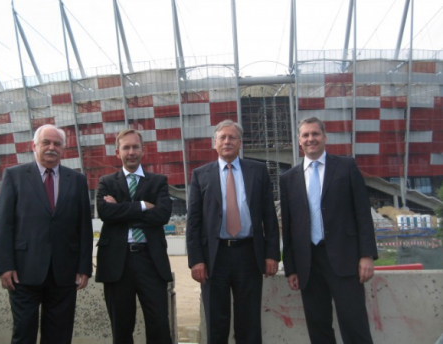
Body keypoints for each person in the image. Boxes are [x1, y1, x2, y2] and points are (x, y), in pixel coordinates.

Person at [280, 116, 378, 344]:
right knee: (319, 328)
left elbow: (362, 213)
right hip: (308, 264)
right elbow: (289, 227)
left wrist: (367, 255)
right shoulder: (288, 179)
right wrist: (291, 267)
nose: (310, 139)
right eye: (305, 135)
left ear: (325, 137)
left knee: (355, 326)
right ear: (299, 140)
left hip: (345, 259)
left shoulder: (346, 166)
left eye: (315, 134)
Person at [0, 124, 93, 344]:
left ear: (63, 149)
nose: (51, 147)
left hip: (64, 273)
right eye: (46, 143)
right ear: (34, 146)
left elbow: (84, 227)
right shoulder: (14, 176)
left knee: (59, 334)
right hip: (23, 271)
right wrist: (4, 265)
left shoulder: (76, 180)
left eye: (57, 144)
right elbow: (3, 225)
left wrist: (83, 267)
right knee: (24, 332)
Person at [186, 119, 280, 344]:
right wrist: (196, 260)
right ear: (214, 143)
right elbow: (194, 221)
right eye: (222, 138)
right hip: (214, 257)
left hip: (249, 254)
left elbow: (269, 216)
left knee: (249, 322)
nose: (227, 141)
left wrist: (272, 254)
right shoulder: (201, 174)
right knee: (216, 322)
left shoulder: (258, 171)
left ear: (240, 143)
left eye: (232, 137)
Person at [96, 129, 173, 344]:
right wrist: (142, 206)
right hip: (117, 264)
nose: (131, 152)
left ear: (143, 150)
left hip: (151, 260)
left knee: (159, 325)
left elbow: (162, 215)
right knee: (121, 328)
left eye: (135, 147)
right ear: (117, 152)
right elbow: (105, 213)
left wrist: (121, 210)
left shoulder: (158, 181)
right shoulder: (106, 182)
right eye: (126, 147)